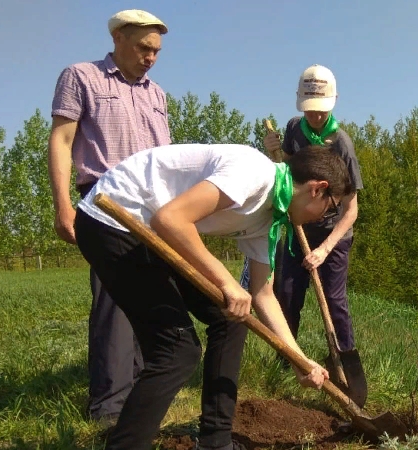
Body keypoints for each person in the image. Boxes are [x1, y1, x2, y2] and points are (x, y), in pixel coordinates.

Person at [74, 143, 349, 450]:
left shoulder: (270, 218)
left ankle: (215, 443)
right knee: (177, 351)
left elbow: (262, 294)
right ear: (317, 189)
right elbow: (171, 219)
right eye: (332, 207)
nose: (327, 216)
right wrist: (226, 281)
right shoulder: (254, 174)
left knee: (230, 319)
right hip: (114, 219)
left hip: (148, 232)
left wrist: (299, 360)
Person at [47, 8, 171, 425]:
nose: (150, 57)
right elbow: (62, 140)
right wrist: (64, 204)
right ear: (118, 37)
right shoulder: (81, 77)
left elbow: (165, 159)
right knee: (114, 300)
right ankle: (109, 410)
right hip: (104, 201)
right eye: (143, 47)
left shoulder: (157, 95)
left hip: (154, 207)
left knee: (151, 296)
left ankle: (141, 395)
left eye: (156, 50)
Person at [258, 64, 364, 356]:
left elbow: (351, 210)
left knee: (333, 299)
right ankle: (287, 357)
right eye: (310, 109)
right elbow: (289, 174)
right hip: (299, 227)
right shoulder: (294, 128)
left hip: (333, 233)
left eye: (321, 110)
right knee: (287, 293)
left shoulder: (342, 145)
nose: (315, 116)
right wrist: (272, 151)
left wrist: (324, 250)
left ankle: (343, 359)